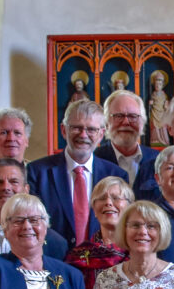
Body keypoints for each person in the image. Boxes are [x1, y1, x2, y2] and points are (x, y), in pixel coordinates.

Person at [27, 99, 126, 248]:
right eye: (76, 128)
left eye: (91, 129)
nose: (83, 135)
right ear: (63, 130)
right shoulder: (37, 172)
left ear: (101, 134)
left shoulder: (116, 175)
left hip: (103, 259)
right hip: (53, 258)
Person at [66, 176, 133, 289]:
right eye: (102, 198)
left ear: (129, 208)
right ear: (94, 210)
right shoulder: (77, 255)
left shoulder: (138, 253)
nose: (108, 202)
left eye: (116, 198)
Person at [96, 90, 158, 186]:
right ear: (106, 123)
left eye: (132, 116)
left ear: (142, 123)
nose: (126, 122)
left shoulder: (158, 159)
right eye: (118, 116)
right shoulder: (95, 159)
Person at [148, 70, 172, 147]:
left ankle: (164, 141)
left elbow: (167, 105)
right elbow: (150, 106)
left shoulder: (164, 95)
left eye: (159, 84)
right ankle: (155, 141)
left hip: (162, 113)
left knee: (163, 127)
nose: (158, 86)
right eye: (156, 84)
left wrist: (166, 105)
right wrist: (150, 104)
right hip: (154, 113)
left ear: (162, 85)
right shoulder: (153, 94)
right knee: (154, 128)